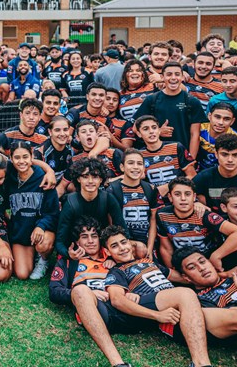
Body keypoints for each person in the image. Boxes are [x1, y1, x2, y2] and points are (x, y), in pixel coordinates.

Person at [101, 225, 214, 367]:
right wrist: (156, 315)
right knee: (185, 293)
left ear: (129, 243)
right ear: (107, 251)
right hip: (152, 302)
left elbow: (183, 277)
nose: (122, 248)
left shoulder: (148, 262)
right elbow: (117, 300)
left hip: (174, 300)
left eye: (123, 242)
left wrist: (221, 275)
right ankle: (201, 364)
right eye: (115, 246)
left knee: (234, 315)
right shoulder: (117, 271)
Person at [48, 217, 133, 367]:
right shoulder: (68, 262)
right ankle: (118, 364)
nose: (91, 241)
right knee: (81, 291)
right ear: (77, 241)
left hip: (124, 307)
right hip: (96, 310)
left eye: (94, 236)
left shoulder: (114, 256)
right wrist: (89, 293)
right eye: (84, 237)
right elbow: (54, 291)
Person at [172, 247, 237, 364]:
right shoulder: (200, 301)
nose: (201, 268)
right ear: (186, 277)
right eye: (192, 267)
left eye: (202, 261)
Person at [156, 177, 237, 272]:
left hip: (210, 262)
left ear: (194, 197)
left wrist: (216, 256)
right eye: (177, 194)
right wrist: (174, 272)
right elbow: (166, 249)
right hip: (186, 265)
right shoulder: (162, 215)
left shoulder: (205, 215)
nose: (183, 198)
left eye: (187, 194)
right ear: (170, 197)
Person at [6, 142, 59, 280]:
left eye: (25, 157)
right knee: (22, 273)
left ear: (32, 157)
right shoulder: (9, 177)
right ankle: (33, 253)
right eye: (17, 157)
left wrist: (41, 226)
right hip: (22, 231)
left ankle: (43, 259)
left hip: (41, 229)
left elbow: (53, 212)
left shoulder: (45, 179)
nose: (21, 161)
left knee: (43, 244)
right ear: (11, 159)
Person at [55, 157, 126, 259]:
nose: (90, 181)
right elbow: (60, 241)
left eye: (95, 176)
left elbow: (122, 230)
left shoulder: (108, 199)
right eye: (85, 176)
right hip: (76, 248)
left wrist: (111, 256)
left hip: (101, 245)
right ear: (78, 179)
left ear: (101, 179)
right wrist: (69, 254)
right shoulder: (71, 203)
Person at [194, 132, 237, 212]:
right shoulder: (203, 178)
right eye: (225, 154)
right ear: (216, 154)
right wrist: (196, 203)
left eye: (235, 155)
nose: (230, 160)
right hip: (213, 219)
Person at [107, 149, 159, 254]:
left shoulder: (150, 189)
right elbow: (111, 224)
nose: (135, 167)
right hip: (123, 245)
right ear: (122, 167)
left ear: (144, 167)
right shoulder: (113, 190)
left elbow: (153, 219)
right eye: (130, 163)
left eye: (139, 163)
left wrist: (149, 249)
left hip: (146, 244)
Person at [133, 115, 196, 198]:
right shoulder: (139, 155)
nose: (151, 131)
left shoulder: (176, 147)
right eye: (145, 129)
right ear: (139, 134)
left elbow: (192, 175)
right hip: (155, 199)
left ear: (159, 130)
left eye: (154, 127)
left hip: (179, 197)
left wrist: (168, 187)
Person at [196, 102, 237, 176]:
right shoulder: (198, 130)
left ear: (232, 121)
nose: (220, 122)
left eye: (226, 119)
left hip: (226, 178)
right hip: (198, 174)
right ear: (209, 116)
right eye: (217, 117)